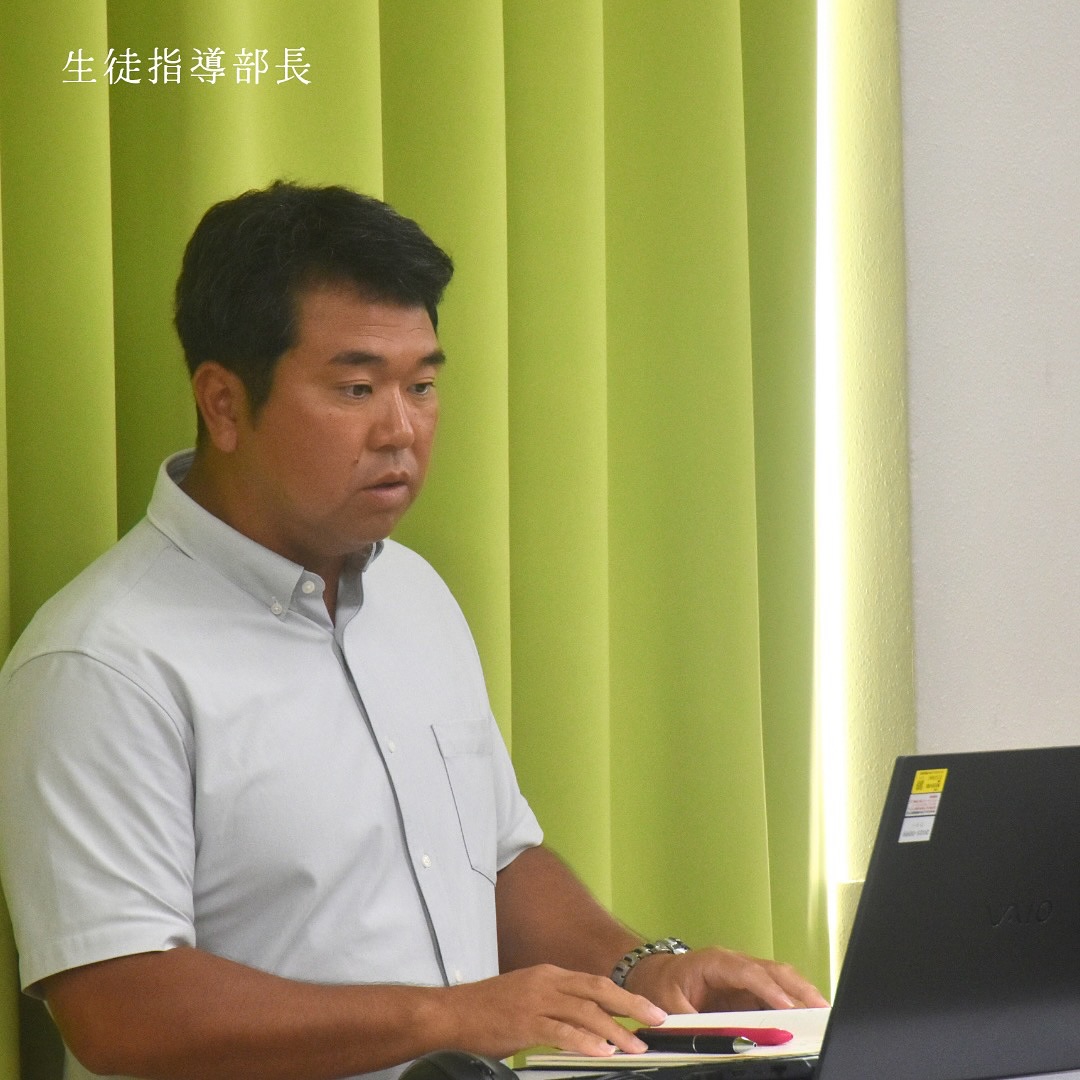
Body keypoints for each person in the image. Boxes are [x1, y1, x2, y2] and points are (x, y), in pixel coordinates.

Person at [0, 182, 826, 1080]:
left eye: (422, 385)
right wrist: (448, 1016)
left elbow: (497, 863)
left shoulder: (414, 594)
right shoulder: (101, 661)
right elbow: (120, 1007)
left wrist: (641, 970)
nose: (401, 430)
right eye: (356, 388)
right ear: (224, 404)